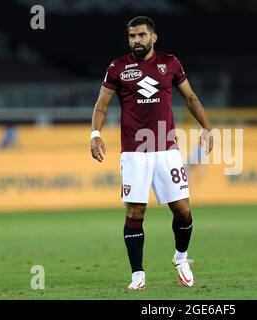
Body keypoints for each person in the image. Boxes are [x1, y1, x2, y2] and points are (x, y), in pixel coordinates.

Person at [90, 16, 213, 290]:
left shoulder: (170, 63)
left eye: (141, 35)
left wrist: (206, 127)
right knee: (135, 212)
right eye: (132, 36)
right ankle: (137, 274)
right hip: (134, 153)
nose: (136, 40)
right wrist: (95, 133)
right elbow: (101, 105)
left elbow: (191, 98)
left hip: (167, 151)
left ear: (153, 37)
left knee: (183, 211)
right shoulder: (118, 67)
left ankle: (181, 258)